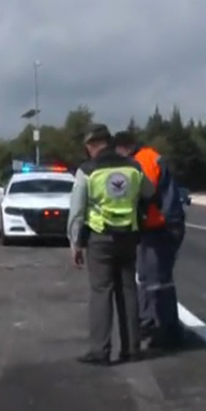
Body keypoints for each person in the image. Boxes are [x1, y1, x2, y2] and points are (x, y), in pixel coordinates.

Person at [67, 124, 156, 366]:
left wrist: (75, 243)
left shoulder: (87, 170)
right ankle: (132, 349)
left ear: (90, 146)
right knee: (128, 291)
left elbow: (76, 211)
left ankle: (100, 351)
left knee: (101, 292)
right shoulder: (133, 165)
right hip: (129, 235)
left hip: (100, 237)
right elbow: (149, 191)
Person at [112, 130, 187, 350]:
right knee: (155, 279)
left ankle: (161, 328)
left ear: (122, 148)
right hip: (161, 226)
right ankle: (162, 325)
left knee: (154, 281)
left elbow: (143, 193)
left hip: (162, 227)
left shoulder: (142, 162)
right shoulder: (148, 157)